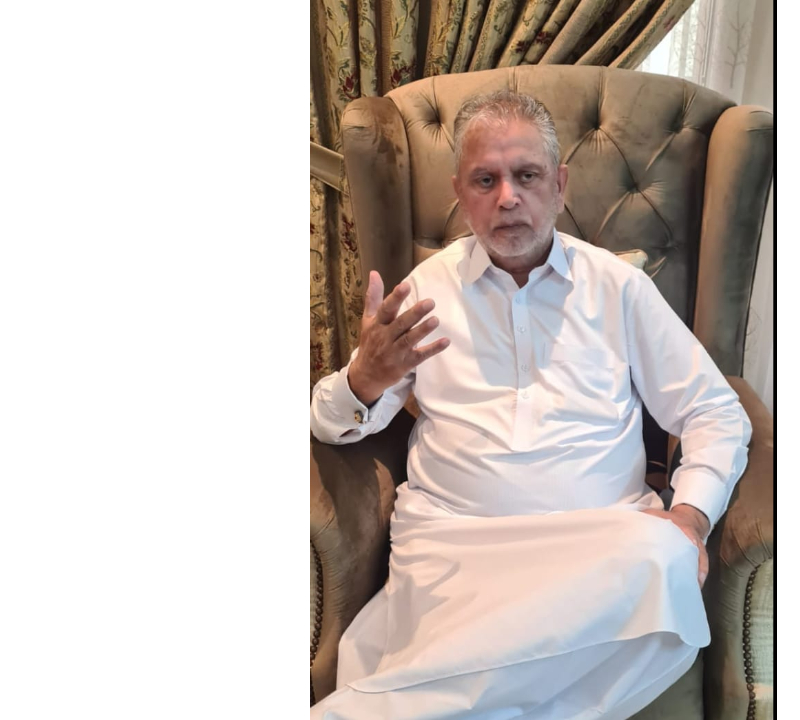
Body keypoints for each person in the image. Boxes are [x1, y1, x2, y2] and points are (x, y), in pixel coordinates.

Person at [310, 89, 751, 720]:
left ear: (559, 185)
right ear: (460, 194)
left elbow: (714, 410)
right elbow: (329, 425)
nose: (507, 197)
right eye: (485, 180)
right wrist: (363, 380)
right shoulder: (424, 294)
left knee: (667, 555)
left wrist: (692, 517)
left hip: (597, 550)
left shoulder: (619, 288)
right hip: (456, 549)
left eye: (526, 176)